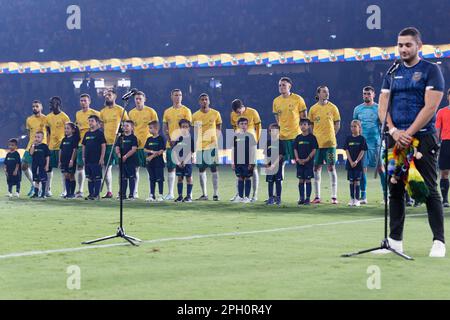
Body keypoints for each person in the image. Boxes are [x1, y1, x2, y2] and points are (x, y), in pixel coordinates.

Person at [378, 27, 445, 257]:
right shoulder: (392, 71)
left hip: (423, 137)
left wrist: (409, 133)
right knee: (395, 189)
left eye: (408, 45)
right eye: (400, 45)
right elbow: (382, 105)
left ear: (419, 46)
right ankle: (395, 241)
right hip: (396, 138)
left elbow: (431, 106)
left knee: (427, 188)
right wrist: (394, 131)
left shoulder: (431, 70)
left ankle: (439, 241)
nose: (403, 49)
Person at [353, 86, 387, 203]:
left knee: (381, 169)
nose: (366, 96)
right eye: (364, 94)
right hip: (363, 144)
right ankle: (363, 196)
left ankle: (385, 196)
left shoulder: (379, 108)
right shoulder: (357, 109)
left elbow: (385, 124)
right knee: (363, 169)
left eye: (368, 94)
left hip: (377, 143)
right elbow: (355, 125)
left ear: (374, 95)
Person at [308, 86, 341, 204]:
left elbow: (337, 124)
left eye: (327, 91)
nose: (327, 93)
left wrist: (331, 135)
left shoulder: (333, 108)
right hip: (317, 145)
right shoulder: (313, 109)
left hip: (330, 144)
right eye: (324, 92)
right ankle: (317, 196)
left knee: (331, 167)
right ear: (318, 94)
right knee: (316, 168)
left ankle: (334, 197)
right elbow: (310, 125)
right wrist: (315, 136)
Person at [162, 89, 192, 200]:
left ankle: (189, 194)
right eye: (176, 95)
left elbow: (188, 127)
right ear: (171, 96)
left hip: (183, 145)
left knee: (186, 170)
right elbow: (165, 127)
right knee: (171, 168)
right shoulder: (167, 111)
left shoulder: (186, 110)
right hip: (170, 144)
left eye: (180, 95)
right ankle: (171, 193)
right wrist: (169, 140)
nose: (178, 97)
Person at [230, 99, 262, 202]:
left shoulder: (253, 112)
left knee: (253, 168)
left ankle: (254, 194)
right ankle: (239, 194)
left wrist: (256, 140)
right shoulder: (233, 115)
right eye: (236, 113)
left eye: (239, 111)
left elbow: (258, 127)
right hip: (239, 143)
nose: (238, 114)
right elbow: (234, 128)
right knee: (239, 171)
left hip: (251, 143)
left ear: (242, 107)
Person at [192, 93, 222, 201]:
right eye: (202, 99)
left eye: (206, 99)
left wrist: (215, 139)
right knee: (201, 169)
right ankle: (204, 194)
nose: (204, 101)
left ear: (209, 101)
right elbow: (195, 131)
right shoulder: (195, 115)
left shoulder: (215, 113)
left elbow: (219, 128)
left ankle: (215, 194)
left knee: (214, 169)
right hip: (200, 147)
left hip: (212, 146)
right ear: (199, 102)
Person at [99, 88, 129, 198]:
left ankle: (122, 192)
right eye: (106, 95)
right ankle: (109, 191)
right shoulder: (102, 112)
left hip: (119, 143)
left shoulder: (121, 110)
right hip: (107, 144)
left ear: (115, 96)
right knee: (107, 168)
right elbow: (102, 127)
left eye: (109, 95)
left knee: (121, 168)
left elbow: (127, 125)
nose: (107, 96)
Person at [128, 91, 158, 198]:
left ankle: (152, 193)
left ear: (145, 99)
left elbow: (155, 128)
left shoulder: (151, 112)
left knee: (151, 170)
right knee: (135, 169)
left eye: (140, 98)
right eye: (136, 98)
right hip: (136, 145)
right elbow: (129, 129)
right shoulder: (131, 113)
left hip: (148, 146)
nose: (138, 100)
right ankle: (134, 193)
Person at [272, 77, 307, 164]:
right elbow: (277, 117)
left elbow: (304, 117)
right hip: (282, 136)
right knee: (281, 161)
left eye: (284, 85)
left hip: (296, 136)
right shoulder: (276, 101)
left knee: (298, 161)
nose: (281, 87)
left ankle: (302, 177)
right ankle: (280, 178)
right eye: (279, 85)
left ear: (289, 86)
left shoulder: (298, 99)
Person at [75, 94, 100, 198]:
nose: (83, 102)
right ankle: (80, 190)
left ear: (89, 101)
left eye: (85, 100)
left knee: (96, 168)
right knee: (80, 166)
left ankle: (102, 191)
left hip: (94, 144)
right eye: (81, 100)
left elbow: (100, 126)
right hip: (82, 143)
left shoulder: (96, 113)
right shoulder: (78, 113)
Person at [46, 96, 71, 197]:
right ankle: (47, 190)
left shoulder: (65, 117)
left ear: (59, 104)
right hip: (51, 147)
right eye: (51, 103)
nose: (52, 105)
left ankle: (64, 190)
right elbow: (48, 132)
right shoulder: (48, 117)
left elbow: (68, 131)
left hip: (62, 147)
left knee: (63, 170)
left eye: (54, 103)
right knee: (49, 169)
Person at [22, 100, 47, 196]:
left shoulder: (46, 119)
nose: (34, 108)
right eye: (33, 106)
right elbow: (29, 134)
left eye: (37, 106)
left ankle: (45, 189)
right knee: (24, 165)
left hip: (42, 147)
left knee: (42, 169)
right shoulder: (29, 119)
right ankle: (33, 185)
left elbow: (48, 132)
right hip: (31, 146)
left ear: (41, 107)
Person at [231, 117, 257, 203]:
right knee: (240, 178)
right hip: (238, 161)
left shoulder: (250, 136)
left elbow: (253, 150)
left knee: (247, 178)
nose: (243, 126)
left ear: (247, 125)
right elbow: (233, 150)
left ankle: (247, 197)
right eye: (241, 124)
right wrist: (232, 162)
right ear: (238, 125)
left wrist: (251, 162)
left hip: (247, 161)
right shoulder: (235, 136)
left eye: (245, 124)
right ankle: (240, 196)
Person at [82, 115, 106, 200]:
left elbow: (103, 146)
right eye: (89, 121)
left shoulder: (99, 133)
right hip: (88, 159)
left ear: (96, 123)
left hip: (96, 159)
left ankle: (96, 194)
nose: (90, 123)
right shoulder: (87, 134)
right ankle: (91, 194)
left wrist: (102, 158)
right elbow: (84, 145)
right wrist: (83, 156)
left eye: (92, 121)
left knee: (97, 177)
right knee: (89, 178)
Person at [294, 119, 318, 205]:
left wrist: (307, 159)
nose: (302, 126)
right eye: (301, 124)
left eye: (304, 124)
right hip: (299, 162)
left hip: (308, 163)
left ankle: (307, 198)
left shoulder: (312, 137)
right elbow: (295, 149)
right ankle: (301, 198)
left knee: (308, 180)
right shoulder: (298, 137)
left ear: (308, 126)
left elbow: (314, 149)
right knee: (301, 180)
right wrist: (297, 159)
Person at [344, 120, 368, 207]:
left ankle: (357, 200)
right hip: (350, 164)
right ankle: (352, 199)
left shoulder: (362, 139)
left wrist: (356, 161)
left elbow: (362, 151)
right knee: (351, 181)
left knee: (357, 182)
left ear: (359, 128)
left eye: (355, 126)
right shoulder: (348, 138)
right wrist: (350, 161)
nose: (353, 128)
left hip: (358, 164)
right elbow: (346, 150)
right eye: (352, 126)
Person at [172, 119, 195, 202]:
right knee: (180, 178)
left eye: (186, 127)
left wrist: (185, 161)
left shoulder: (191, 139)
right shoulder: (178, 139)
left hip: (187, 162)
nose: (184, 128)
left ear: (189, 128)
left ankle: (188, 197)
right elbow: (174, 151)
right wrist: (178, 162)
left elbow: (191, 152)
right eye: (182, 127)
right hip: (179, 162)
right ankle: (180, 196)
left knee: (188, 178)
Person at [115, 120, 138, 200]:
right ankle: (123, 195)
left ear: (132, 127)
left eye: (127, 126)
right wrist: (119, 155)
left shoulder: (133, 138)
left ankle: (131, 195)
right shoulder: (120, 137)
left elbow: (134, 149)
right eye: (124, 126)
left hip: (130, 161)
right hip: (121, 161)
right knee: (123, 178)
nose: (125, 127)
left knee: (131, 177)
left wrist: (125, 156)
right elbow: (117, 147)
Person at [144, 121, 166, 202]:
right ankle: (152, 195)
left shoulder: (161, 138)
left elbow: (161, 150)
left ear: (156, 129)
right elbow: (145, 149)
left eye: (151, 128)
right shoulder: (149, 139)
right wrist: (152, 152)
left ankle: (160, 195)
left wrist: (151, 156)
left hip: (158, 162)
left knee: (159, 179)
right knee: (152, 179)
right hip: (150, 164)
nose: (149, 130)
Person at [436, 88, 450, 208]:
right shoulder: (441, 112)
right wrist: (436, 143)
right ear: (448, 97)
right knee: (444, 172)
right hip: (446, 143)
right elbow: (437, 130)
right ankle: (445, 199)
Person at [264, 123, 285, 206]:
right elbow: (265, 154)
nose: (272, 132)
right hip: (269, 167)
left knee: (278, 182)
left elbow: (281, 155)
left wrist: (274, 165)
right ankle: (270, 198)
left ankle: (278, 198)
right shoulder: (268, 142)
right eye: (271, 131)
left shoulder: (281, 142)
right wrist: (266, 164)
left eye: (275, 131)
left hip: (277, 166)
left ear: (279, 132)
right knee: (270, 182)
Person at [59, 122, 79, 199]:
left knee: (71, 175)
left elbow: (75, 150)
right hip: (64, 160)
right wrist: (60, 161)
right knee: (66, 176)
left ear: (73, 130)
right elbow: (61, 150)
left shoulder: (74, 139)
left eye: (68, 128)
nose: (66, 130)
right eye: (65, 128)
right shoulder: (64, 139)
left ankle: (72, 193)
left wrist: (72, 160)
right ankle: (67, 193)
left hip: (70, 161)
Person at [29, 131, 50, 199]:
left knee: (43, 180)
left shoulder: (44, 146)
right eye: (35, 137)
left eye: (38, 137)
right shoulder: (33, 146)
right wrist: (33, 145)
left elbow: (47, 157)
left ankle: (43, 194)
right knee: (36, 180)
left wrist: (47, 165)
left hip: (42, 166)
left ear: (42, 138)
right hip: (35, 166)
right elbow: (31, 153)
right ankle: (36, 193)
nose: (36, 138)